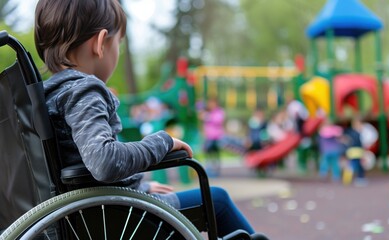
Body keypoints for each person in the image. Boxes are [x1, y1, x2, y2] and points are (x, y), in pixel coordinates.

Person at [35, 1, 266, 238]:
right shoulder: (85, 90)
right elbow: (103, 162)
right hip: (117, 217)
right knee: (218, 201)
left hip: (90, 213)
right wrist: (161, 142)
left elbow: (80, 167)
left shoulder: (45, 96)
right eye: (118, 43)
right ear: (101, 43)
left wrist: (140, 187)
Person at [199, 97, 225, 177]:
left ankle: (216, 170)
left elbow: (218, 121)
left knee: (215, 153)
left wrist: (208, 117)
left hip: (216, 137)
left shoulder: (219, 112)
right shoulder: (207, 112)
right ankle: (209, 169)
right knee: (208, 153)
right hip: (208, 137)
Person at [344, 116, 367, 186]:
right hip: (356, 151)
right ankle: (359, 178)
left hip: (353, 151)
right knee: (356, 165)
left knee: (354, 165)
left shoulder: (350, 132)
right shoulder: (357, 133)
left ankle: (348, 178)